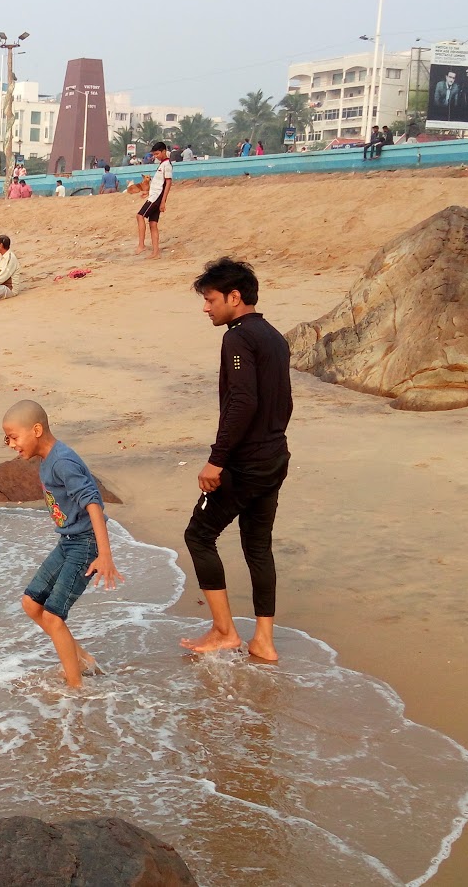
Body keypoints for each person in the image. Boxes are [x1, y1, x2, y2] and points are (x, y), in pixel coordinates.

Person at [182, 258, 293, 662]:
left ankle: (224, 631)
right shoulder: (275, 337)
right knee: (258, 547)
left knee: (198, 535)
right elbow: (282, 402)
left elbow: (243, 402)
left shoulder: (238, 338)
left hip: (246, 463)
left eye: (210, 300)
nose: (206, 308)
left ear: (234, 297)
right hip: (274, 457)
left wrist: (217, 460)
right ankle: (263, 640)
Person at [0, 400, 122, 688]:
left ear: (37, 430)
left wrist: (105, 554)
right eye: (7, 439)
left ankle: (75, 688)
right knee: (31, 603)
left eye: (14, 437)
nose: (11, 445)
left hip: (85, 543)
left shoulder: (63, 462)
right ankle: (82, 660)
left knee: (54, 616)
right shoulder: (48, 460)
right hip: (68, 541)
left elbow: (93, 503)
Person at [135, 141, 172, 259]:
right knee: (153, 224)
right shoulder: (162, 165)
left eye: (157, 154)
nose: (156, 156)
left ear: (164, 151)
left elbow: (168, 183)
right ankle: (156, 253)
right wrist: (148, 192)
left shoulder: (167, 165)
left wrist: (163, 201)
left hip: (156, 198)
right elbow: (158, 184)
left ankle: (141, 245)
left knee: (139, 216)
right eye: (154, 154)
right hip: (154, 195)